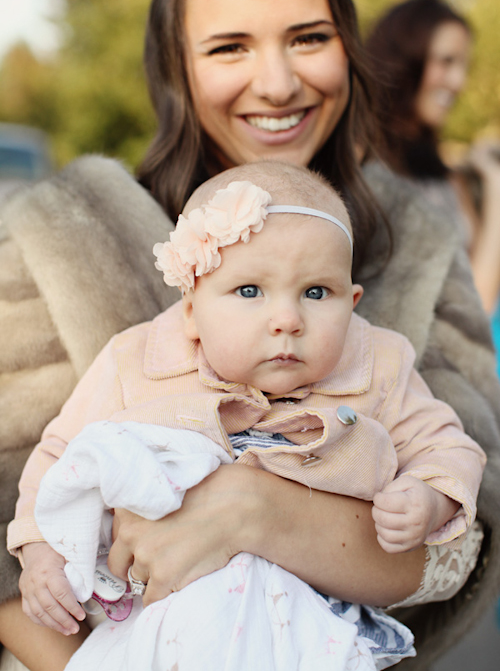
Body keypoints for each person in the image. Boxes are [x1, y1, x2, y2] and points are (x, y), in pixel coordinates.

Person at [0, 0, 499, 670]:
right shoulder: (59, 239)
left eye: (307, 37)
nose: (276, 83)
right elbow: (8, 561)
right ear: (176, 63)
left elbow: (468, 532)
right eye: (229, 46)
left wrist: (258, 512)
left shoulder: (417, 241)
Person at [15, 163, 485, 670]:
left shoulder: (381, 365)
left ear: (352, 304)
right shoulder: (137, 362)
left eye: (315, 292)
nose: (287, 320)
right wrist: (41, 552)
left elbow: (448, 446)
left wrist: (430, 497)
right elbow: (61, 457)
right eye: (249, 292)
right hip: (159, 629)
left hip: (311, 636)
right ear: (191, 310)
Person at [365, 0, 500, 314]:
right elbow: (476, 306)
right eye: (446, 61)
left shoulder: (448, 179)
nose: (458, 81)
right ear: (404, 60)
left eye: (463, 64)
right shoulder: (361, 172)